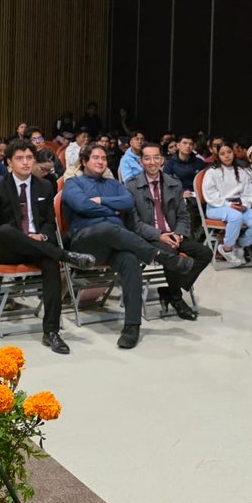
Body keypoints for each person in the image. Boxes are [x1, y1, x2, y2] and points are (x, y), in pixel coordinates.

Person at [62, 144, 192, 349]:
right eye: (95, 157)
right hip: (86, 243)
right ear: (84, 161)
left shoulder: (113, 184)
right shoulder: (72, 183)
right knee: (107, 228)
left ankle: (132, 326)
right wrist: (109, 210)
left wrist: (101, 201)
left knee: (130, 260)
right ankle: (159, 255)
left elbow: (127, 202)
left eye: (103, 158)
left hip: (116, 244)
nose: (100, 161)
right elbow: (81, 205)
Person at [0, 138, 96, 355]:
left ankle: (51, 331)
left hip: (40, 247)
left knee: (51, 264)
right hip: (8, 249)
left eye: (29, 158)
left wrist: (41, 236)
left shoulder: (44, 185)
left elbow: (49, 222)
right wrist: (24, 237)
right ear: (8, 162)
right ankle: (66, 256)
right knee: (6, 230)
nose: (25, 162)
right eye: (19, 158)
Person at [125, 143, 211, 321]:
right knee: (170, 253)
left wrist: (178, 234)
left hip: (174, 234)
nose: (152, 162)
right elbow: (135, 224)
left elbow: (183, 215)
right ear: (141, 162)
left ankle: (171, 289)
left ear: (162, 160)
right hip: (149, 237)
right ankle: (177, 299)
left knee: (205, 253)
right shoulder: (132, 186)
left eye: (156, 157)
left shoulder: (174, 183)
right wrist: (159, 235)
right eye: (147, 158)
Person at [201, 141, 252, 264]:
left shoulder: (241, 171)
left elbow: (248, 192)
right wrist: (228, 205)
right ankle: (227, 248)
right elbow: (210, 195)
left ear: (234, 153)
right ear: (218, 156)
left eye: (229, 152)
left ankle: (239, 245)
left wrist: (245, 205)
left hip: (238, 206)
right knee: (235, 217)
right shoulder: (212, 172)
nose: (227, 156)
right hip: (217, 206)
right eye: (222, 153)